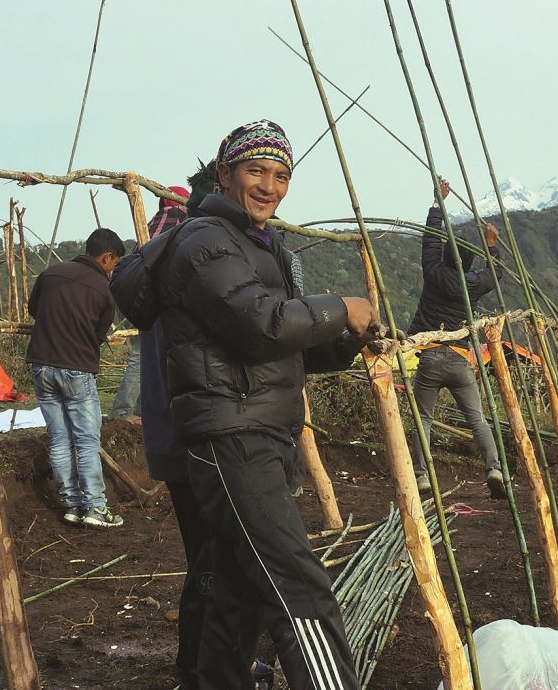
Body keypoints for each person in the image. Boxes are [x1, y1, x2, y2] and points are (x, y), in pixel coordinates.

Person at [161, 119, 378, 690]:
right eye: (256, 171)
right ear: (225, 174)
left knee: (237, 595)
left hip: (259, 431)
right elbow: (261, 324)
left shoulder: (260, 245)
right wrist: (339, 305)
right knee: (298, 588)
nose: (270, 186)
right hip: (233, 437)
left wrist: (349, 337)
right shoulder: (206, 240)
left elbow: (283, 352)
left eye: (281, 175)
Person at [405, 178, 507, 499]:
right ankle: (494, 469)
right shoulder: (473, 283)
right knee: (477, 419)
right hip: (461, 359)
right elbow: (498, 272)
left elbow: (430, 243)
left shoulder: (434, 272)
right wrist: (491, 244)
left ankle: (421, 476)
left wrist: (438, 203)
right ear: (468, 262)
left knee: (423, 419)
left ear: (447, 258)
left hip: (432, 356)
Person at [26, 227, 126, 529]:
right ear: (107, 257)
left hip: (41, 366)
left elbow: (35, 310)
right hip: (76, 370)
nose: (113, 269)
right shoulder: (103, 290)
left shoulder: (51, 274)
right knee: (86, 440)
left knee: (58, 439)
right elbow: (98, 335)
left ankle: (71, 504)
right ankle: (95, 507)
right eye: (115, 263)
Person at [109, 186, 189, 424]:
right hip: (163, 302)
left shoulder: (153, 224)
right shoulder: (181, 222)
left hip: (143, 301)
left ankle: (139, 412)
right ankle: (123, 412)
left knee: (149, 358)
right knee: (147, 356)